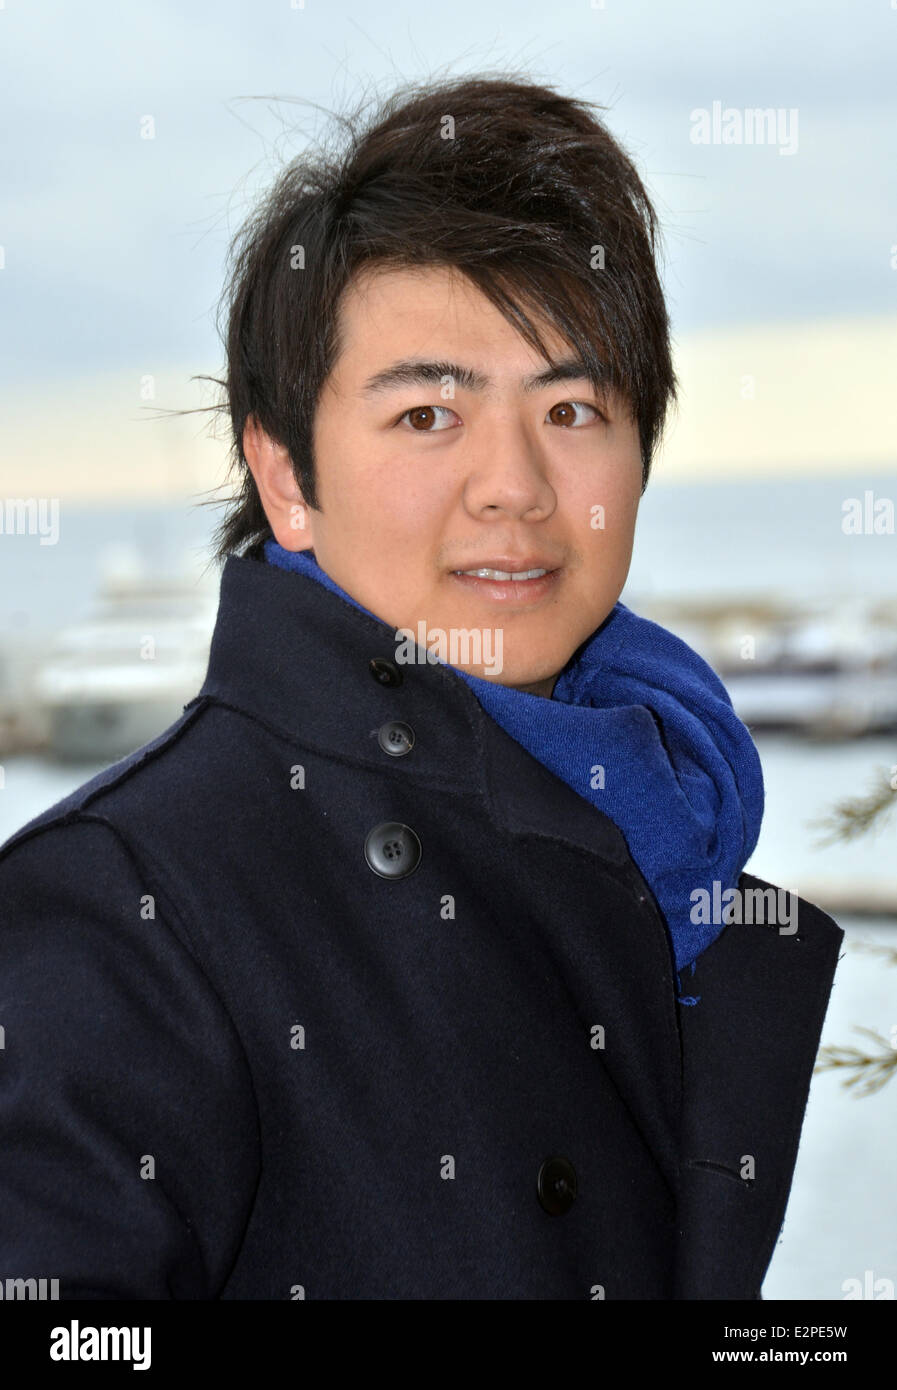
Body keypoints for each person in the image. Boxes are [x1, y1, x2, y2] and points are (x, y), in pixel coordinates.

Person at [0, 73, 843, 1300]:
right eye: (428, 415)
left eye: (570, 405)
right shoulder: (122, 904)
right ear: (285, 473)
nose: (515, 484)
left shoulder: (668, 826)